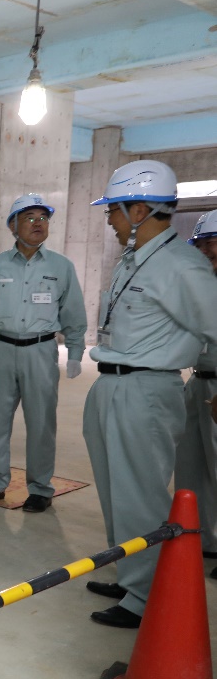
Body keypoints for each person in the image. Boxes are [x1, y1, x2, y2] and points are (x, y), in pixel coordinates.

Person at [84, 161, 217, 628]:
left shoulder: (182, 265)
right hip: (112, 383)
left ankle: (145, 599)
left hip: (146, 390)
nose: (109, 219)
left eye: (113, 211)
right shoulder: (134, 257)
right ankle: (130, 576)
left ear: (139, 209)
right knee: (116, 489)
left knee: (140, 493)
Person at [0, 193, 87, 513]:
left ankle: (40, 488)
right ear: (13, 226)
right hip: (0, 349)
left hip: (40, 351)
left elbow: (73, 312)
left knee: (42, 423)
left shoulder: (61, 267)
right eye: (29, 217)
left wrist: (74, 350)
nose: (38, 223)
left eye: (43, 217)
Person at [176, 210, 217, 560]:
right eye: (201, 244)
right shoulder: (201, 286)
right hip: (197, 382)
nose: (206, 251)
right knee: (191, 465)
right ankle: (201, 538)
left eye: (212, 243)